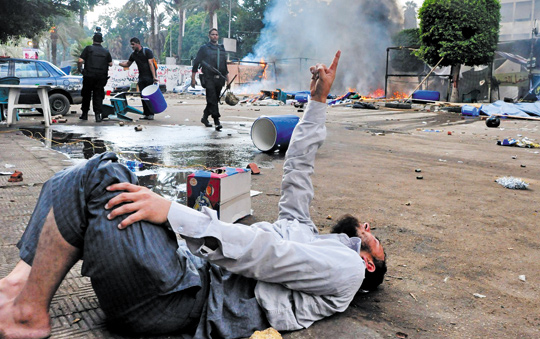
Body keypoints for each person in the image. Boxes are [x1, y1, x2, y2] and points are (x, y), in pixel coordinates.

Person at [0, 51, 386, 339]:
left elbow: (267, 255)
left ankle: (28, 315)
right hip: (177, 275)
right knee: (78, 173)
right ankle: (20, 285)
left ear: (370, 263)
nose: (368, 228)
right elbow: (299, 171)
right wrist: (318, 103)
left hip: (182, 299)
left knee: (103, 175)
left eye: (375, 239)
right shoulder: (307, 233)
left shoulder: (348, 271)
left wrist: (171, 212)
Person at [191, 28, 229, 131]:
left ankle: (204, 117)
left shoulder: (221, 48)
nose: (214, 36)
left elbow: (225, 65)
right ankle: (217, 121)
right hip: (208, 78)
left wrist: (228, 79)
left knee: (214, 100)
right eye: (212, 34)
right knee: (212, 98)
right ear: (209, 36)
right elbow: (196, 63)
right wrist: (193, 78)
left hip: (219, 78)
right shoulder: (204, 48)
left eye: (216, 34)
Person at [119, 37, 158, 120]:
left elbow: (151, 64)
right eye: (131, 45)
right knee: (143, 96)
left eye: (133, 44)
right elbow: (127, 64)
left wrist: (154, 77)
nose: (132, 46)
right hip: (141, 78)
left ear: (138, 43)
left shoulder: (147, 51)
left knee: (149, 97)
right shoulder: (134, 55)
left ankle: (151, 114)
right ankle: (146, 114)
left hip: (149, 77)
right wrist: (118, 63)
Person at [78, 30, 113, 122]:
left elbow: (80, 61)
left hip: (89, 76)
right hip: (101, 77)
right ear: (101, 41)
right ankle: (98, 115)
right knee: (98, 95)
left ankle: (84, 114)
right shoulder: (106, 51)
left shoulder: (88, 49)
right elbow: (110, 64)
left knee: (86, 94)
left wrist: (80, 70)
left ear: (93, 40)